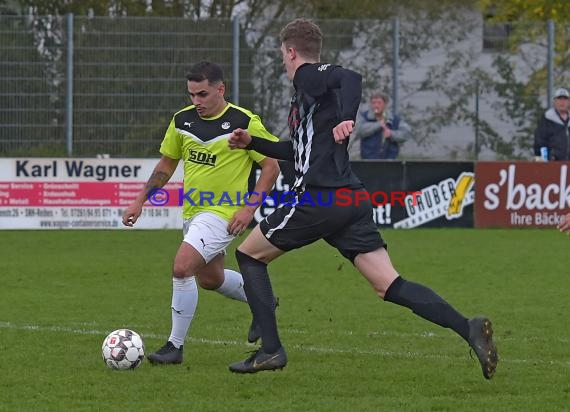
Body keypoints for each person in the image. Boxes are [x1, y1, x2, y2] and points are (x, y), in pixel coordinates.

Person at [226, 18, 498, 379]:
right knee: (390, 285)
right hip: (351, 200)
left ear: (291, 51)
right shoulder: (314, 97)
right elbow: (297, 149)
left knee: (248, 255)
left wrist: (347, 119)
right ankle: (469, 328)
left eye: (282, 55)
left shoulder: (306, 75)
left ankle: (271, 350)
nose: (283, 62)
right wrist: (253, 143)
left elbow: (351, 77)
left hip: (321, 200)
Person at [122, 61, 280, 365]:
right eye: (192, 95)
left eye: (203, 94)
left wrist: (249, 209)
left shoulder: (244, 121)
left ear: (221, 89)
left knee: (182, 268)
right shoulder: (182, 121)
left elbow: (271, 167)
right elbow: (166, 166)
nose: (196, 102)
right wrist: (140, 200)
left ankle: (174, 346)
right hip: (193, 213)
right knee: (211, 278)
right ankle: (264, 303)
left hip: (224, 213)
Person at [352, 91, 412, 159]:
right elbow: (359, 130)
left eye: (379, 103)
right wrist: (378, 124)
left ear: (385, 104)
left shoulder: (394, 119)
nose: (376, 105)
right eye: (373, 103)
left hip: (390, 160)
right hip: (368, 160)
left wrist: (391, 134)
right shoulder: (365, 117)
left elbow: (406, 133)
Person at [533, 87, 570, 161]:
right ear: (554, 101)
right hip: (552, 163)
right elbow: (540, 142)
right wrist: (545, 158)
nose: (562, 102)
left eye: (565, 99)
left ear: (569, 102)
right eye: (559, 99)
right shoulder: (547, 118)